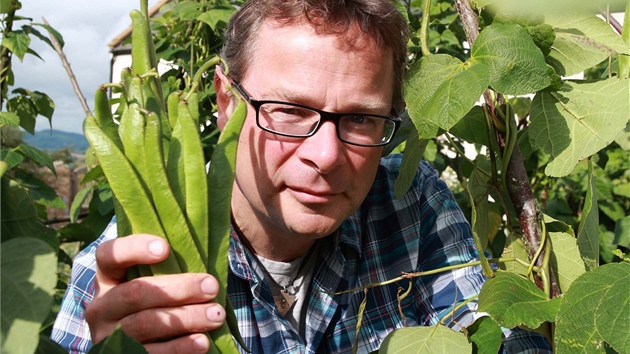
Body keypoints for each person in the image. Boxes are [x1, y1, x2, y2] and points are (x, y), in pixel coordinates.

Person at [52, 0, 552, 353]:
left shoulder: (411, 200)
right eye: (289, 110)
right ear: (227, 103)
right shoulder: (125, 273)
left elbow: (500, 334)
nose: (327, 156)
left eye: (360, 118)